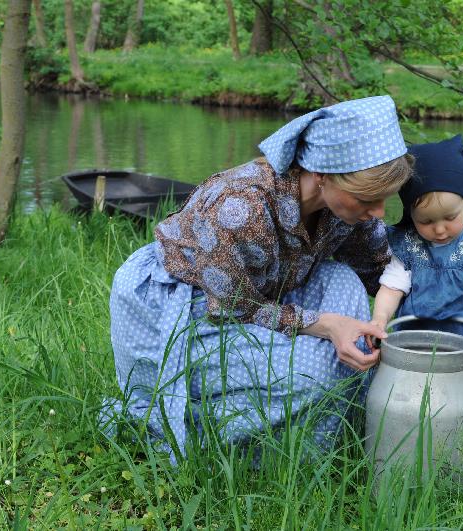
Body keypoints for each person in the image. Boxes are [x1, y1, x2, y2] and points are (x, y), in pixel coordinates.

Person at [104, 95, 413, 461]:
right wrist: (325, 325)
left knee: (342, 280)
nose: (377, 212)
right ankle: (213, 434)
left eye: (383, 200)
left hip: (265, 293)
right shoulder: (241, 206)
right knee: (313, 373)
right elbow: (236, 306)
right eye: (368, 199)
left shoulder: (345, 211)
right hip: (187, 305)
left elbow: (381, 271)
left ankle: (322, 433)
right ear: (322, 175)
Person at [370, 135, 463, 458]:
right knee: (411, 405)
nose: (439, 230)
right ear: (410, 214)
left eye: (450, 218)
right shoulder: (408, 244)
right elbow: (391, 287)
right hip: (419, 339)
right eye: (426, 221)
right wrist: (380, 320)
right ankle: (410, 456)